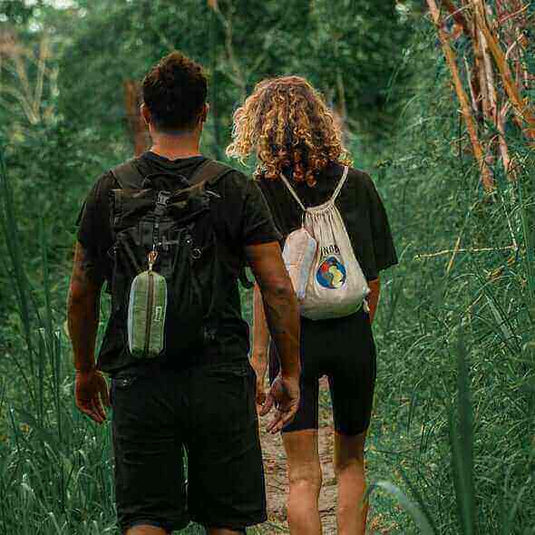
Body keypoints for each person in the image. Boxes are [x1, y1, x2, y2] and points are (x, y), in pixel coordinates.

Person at [67, 52, 301, 535]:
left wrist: (85, 369)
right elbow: (276, 286)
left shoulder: (109, 190)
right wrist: (289, 372)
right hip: (218, 373)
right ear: (205, 113)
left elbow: (81, 292)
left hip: (139, 378)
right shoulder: (234, 189)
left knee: (146, 517)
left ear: (146, 114)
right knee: (226, 520)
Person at [227, 76, 398, 535]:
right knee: (351, 463)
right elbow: (374, 277)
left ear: (261, 129)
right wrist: (358, 327)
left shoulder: (258, 192)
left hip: (294, 339)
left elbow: (268, 289)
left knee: (303, 475)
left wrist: (261, 359)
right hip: (352, 334)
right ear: (321, 123)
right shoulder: (358, 184)